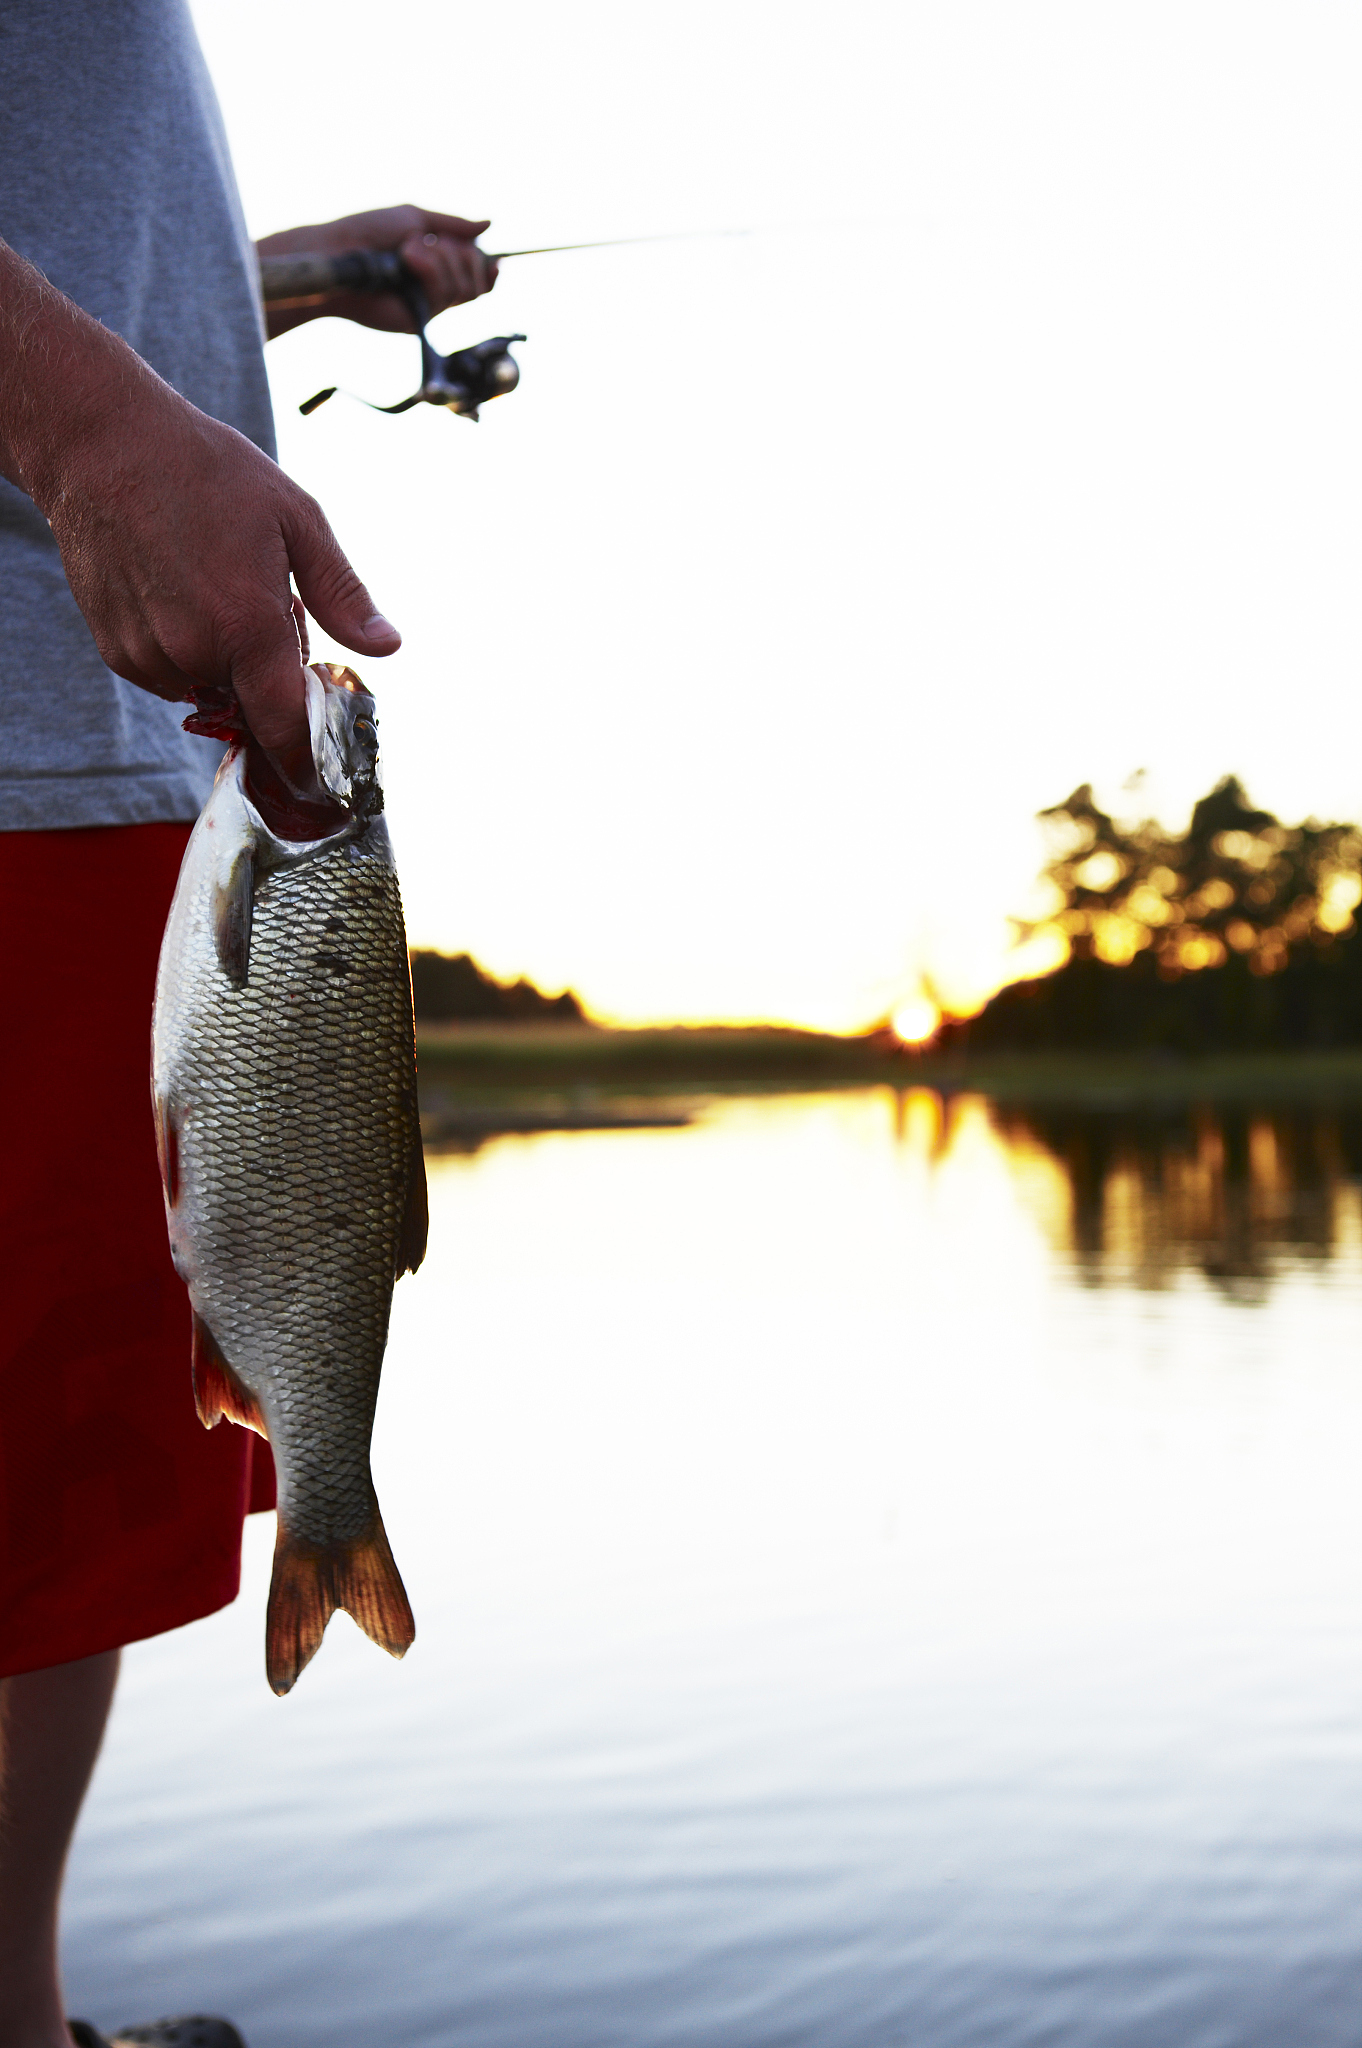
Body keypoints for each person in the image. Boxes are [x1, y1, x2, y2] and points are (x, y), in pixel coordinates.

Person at [0, 7, 498, 2045]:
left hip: (88, 743)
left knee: (45, 1472)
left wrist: (260, 280)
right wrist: (90, 425)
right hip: (29, 745)